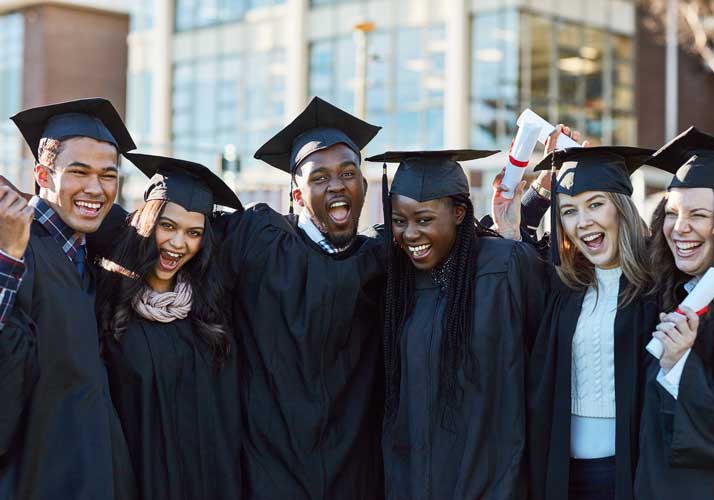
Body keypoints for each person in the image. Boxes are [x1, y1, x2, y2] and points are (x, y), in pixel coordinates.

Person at [218, 96, 386, 499]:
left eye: (348, 173)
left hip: (353, 472)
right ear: (296, 196)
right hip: (271, 470)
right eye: (319, 178)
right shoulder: (258, 243)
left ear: (363, 187)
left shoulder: (381, 263)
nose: (336, 185)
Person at [365, 149, 548, 499]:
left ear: (460, 213)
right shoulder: (396, 282)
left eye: (423, 219)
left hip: (493, 483)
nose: (409, 234)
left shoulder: (504, 268)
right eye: (399, 221)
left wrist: (527, 216)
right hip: (413, 481)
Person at [0, 98, 138, 499]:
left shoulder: (86, 251)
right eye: (79, 172)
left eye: (108, 175)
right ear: (43, 175)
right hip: (33, 475)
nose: (95, 188)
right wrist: (8, 256)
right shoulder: (15, 245)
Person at [93, 153, 244, 500]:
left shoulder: (211, 313)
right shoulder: (108, 307)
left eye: (193, 233)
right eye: (168, 226)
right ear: (148, 223)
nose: (178, 244)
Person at [517, 147, 659, 500]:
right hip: (563, 475)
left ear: (621, 208)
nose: (582, 222)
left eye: (595, 204)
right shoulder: (564, 287)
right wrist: (535, 197)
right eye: (569, 211)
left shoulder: (658, 286)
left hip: (628, 474)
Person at [635, 127, 714, 499]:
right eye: (671, 213)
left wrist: (679, 363)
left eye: (697, 215)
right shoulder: (667, 289)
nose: (679, 228)